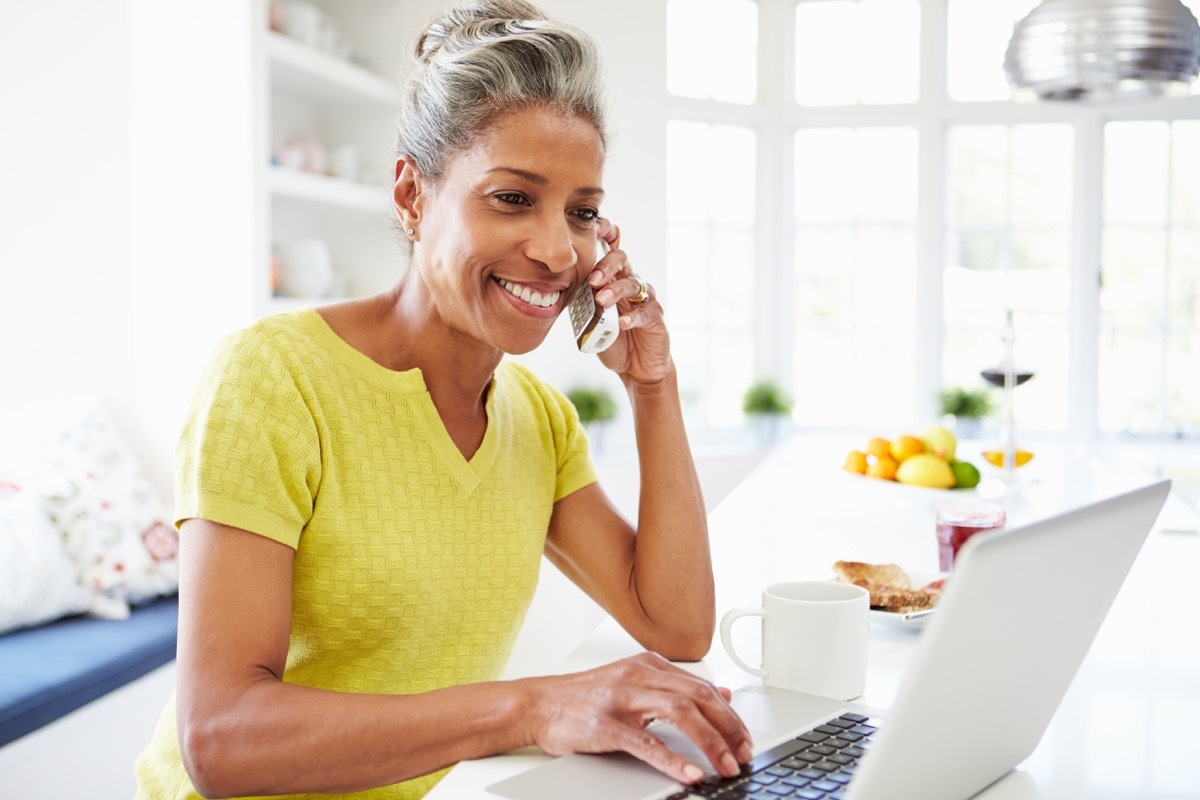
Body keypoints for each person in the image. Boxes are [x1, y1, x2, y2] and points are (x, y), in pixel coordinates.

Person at [134, 2, 750, 797]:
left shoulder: (537, 420)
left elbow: (678, 625)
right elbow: (220, 740)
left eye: (583, 211)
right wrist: (532, 708)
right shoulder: (271, 381)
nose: (560, 249)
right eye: (511, 198)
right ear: (412, 195)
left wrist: (652, 387)